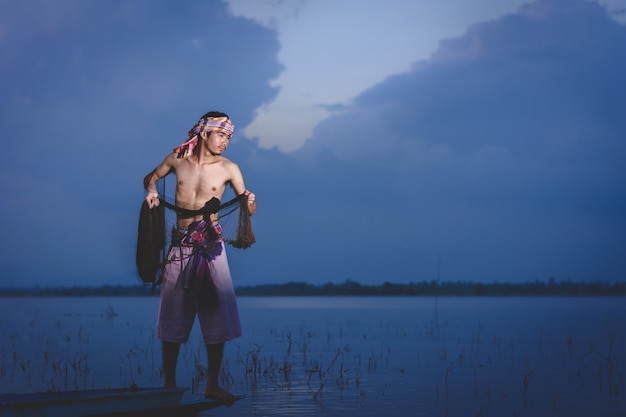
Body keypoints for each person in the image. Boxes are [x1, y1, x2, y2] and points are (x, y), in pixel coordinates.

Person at [143, 111, 256, 406]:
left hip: (211, 249)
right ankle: (168, 384)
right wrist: (151, 190)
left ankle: (212, 385)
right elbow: (150, 177)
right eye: (222, 135)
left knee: (215, 316)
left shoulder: (230, 168)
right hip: (179, 249)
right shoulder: (177, 159)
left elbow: (248, 208)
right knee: (172, 316)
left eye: (229, 137)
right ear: (204, 134)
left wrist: (251, 202)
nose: (226, 142)